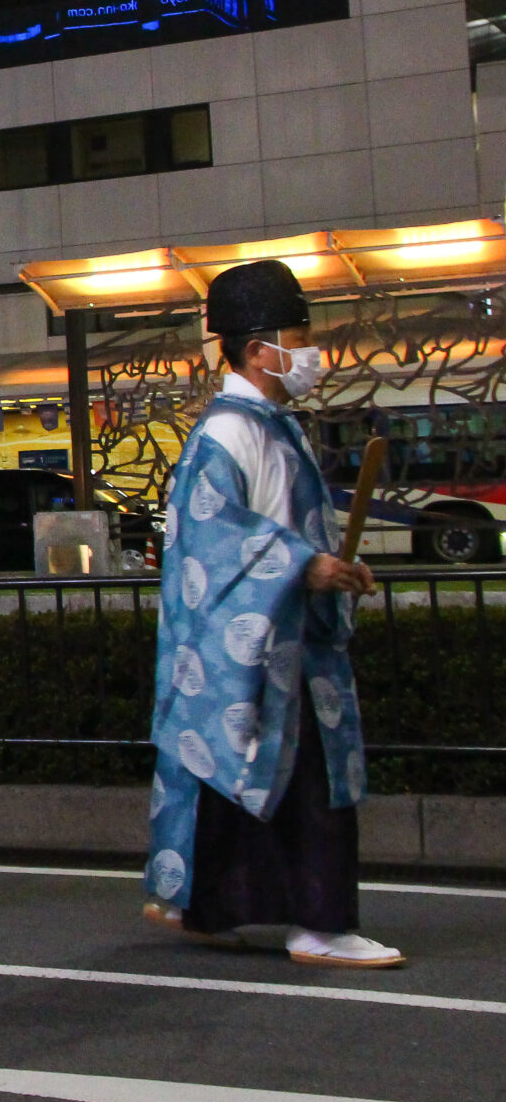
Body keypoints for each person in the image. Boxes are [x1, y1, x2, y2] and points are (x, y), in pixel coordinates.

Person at [144, 258, 400, 968]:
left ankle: (209, 906)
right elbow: (211, 533)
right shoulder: (232, 431)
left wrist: (328, 567)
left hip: (269, 634)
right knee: (308, 782)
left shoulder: (263, 425)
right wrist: (305, 565)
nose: (313, 351)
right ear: (259, 350)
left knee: (233, 776)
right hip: (267, 647)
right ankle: (320, 924)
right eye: (301, 336)